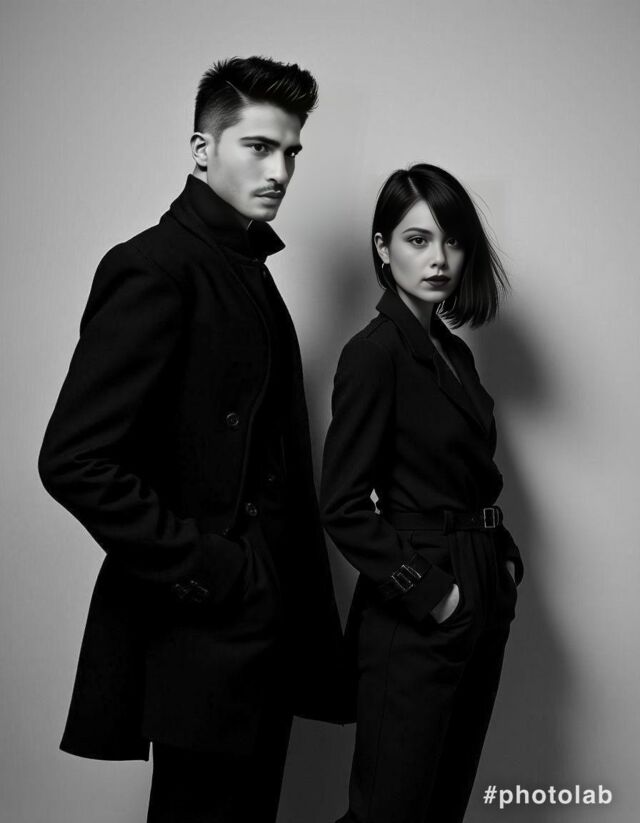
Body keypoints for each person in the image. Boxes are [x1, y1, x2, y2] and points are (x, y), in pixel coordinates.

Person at [38, 56, 347, 823]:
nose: (280, 170)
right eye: (258, 147)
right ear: (203, 149)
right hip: (204, 629)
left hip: (260, 632)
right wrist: (210, 566)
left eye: (291, 151)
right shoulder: (155, 267)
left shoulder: (244, 267)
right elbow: (74, 458)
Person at [321, 163, 524, 823]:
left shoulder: (454, 353)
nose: (439, 259)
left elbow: (468, 471)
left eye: (452, 241)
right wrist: (431, 590)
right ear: (383, 248)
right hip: (418, 597)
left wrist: (502, 561)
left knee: (443, 805)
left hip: (480, 580)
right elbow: (342, 505)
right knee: (391, 810)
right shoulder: (372, 354)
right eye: (417, 240)